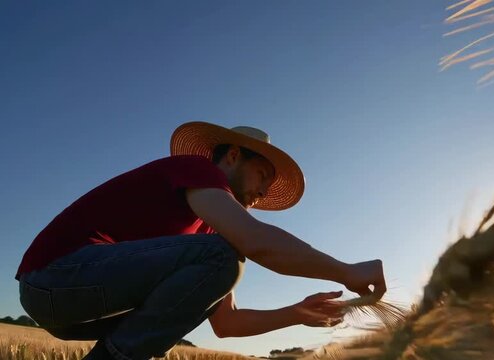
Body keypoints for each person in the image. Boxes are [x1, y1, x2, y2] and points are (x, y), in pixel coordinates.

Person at [15, 122, 387, 360]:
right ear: (234, 156)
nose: (261, 193)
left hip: (76, 307)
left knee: (210, 274)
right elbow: (255, 241)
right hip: (54, 278)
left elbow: (226, 323)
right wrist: (345, 271)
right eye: (261, 175)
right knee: (227, 255)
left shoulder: (210, 233)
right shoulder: (198, 171)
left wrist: (297, 313)